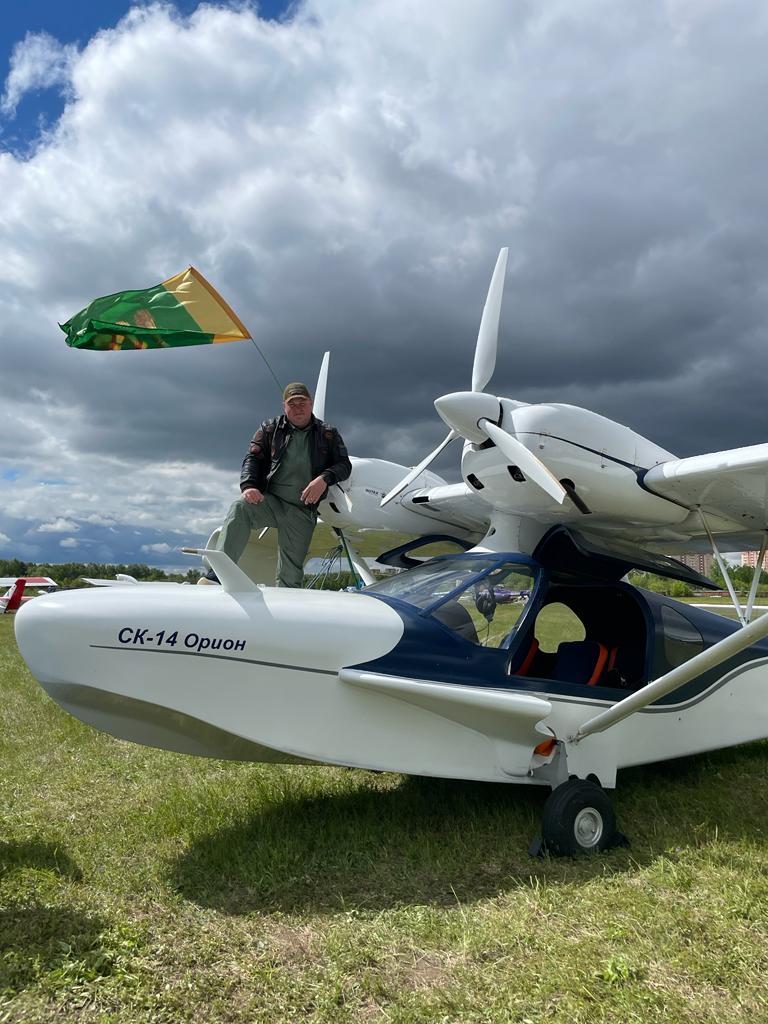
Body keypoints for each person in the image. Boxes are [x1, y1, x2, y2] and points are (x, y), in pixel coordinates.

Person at [203, 382, 352, 587]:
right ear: (285, 407)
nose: (298, 407)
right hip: (271, 502)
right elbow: (252, 459)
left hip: (302, 508)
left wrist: (324, 478)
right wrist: (249, 486)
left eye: (303, 402)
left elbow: (344, 465)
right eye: (293, 404)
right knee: (240, 507)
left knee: (290, 576)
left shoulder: (328, 434)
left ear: (310, 404)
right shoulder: (270, 429)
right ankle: (216, 575)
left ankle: (287, 610)